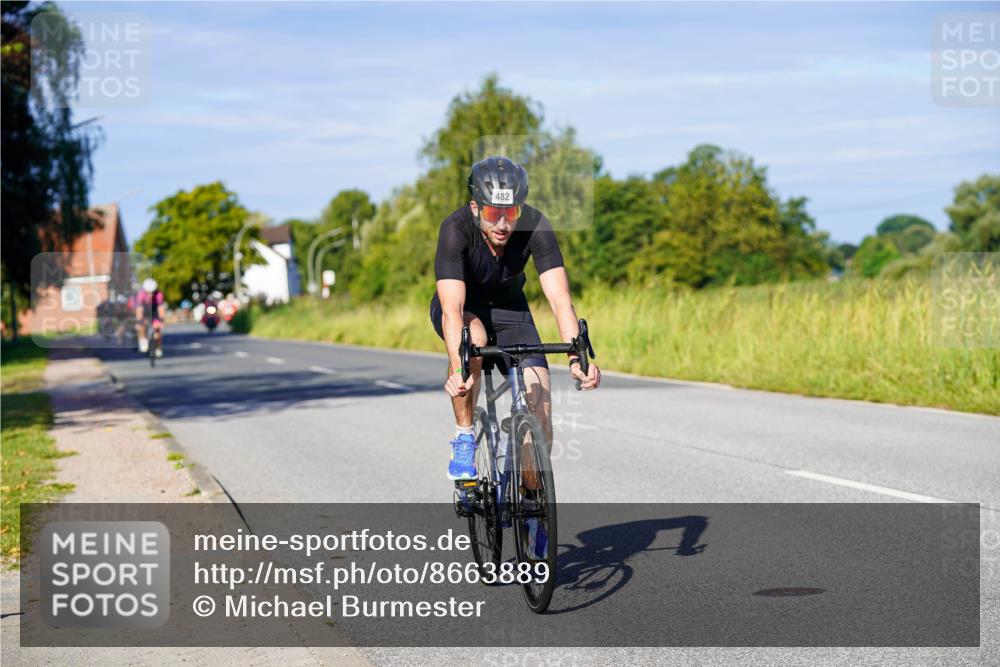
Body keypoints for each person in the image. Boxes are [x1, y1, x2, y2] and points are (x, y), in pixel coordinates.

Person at [431, 156, 601, 483]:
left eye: (511, 213)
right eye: (494, 213)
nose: (503, 224)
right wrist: (457, 368)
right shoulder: (455, 229)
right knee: (474, 340)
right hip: (466, 310)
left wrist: (575, 358)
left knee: (541, 412)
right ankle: (465, 438)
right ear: (475, 207)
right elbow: (452, 309)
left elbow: (559, 299)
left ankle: (532, 504)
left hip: (513, 313)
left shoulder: (536, 224)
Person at [135, 278, 165, 357]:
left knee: (157, 329)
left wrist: (161, 321)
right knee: (141, 326)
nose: (150, 294)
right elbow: (139, 309)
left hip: (154, 311)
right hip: (145, 311)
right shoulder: (141, 294)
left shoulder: (159, 294)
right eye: (148, 292)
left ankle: (158, 348)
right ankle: (142, 340)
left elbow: (161, 308)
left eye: (152, 292)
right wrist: (139, 321)